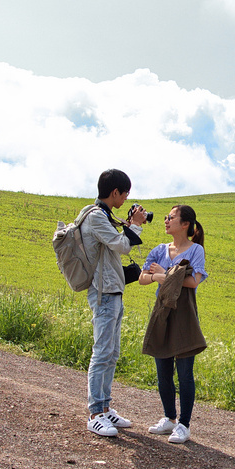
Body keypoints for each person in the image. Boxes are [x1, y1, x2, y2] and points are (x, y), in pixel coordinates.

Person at [80, 169, 148, 437]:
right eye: (125, 192)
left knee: (112, 352)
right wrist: (135, 225)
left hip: (113, 290)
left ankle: (105, 408)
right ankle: (95, 413)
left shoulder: (104, 216)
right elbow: (122, 245)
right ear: (115, 192)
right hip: (103, 291)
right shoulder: (96, 217)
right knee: (102, 352)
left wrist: (129, 224)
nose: (126, 197)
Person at [138, 205, 208, 444]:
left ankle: (184, 425)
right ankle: (169, 418)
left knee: (185, 373)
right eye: (167, 217)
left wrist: (162, 273)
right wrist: (163, 276)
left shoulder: (196, 249)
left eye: (171, 217)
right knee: (163, 371)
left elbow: (193, 282)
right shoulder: (159, 249)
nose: (166, 220)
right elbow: (142, 279)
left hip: (184, 313)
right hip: (162, 312)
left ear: (185, 224)